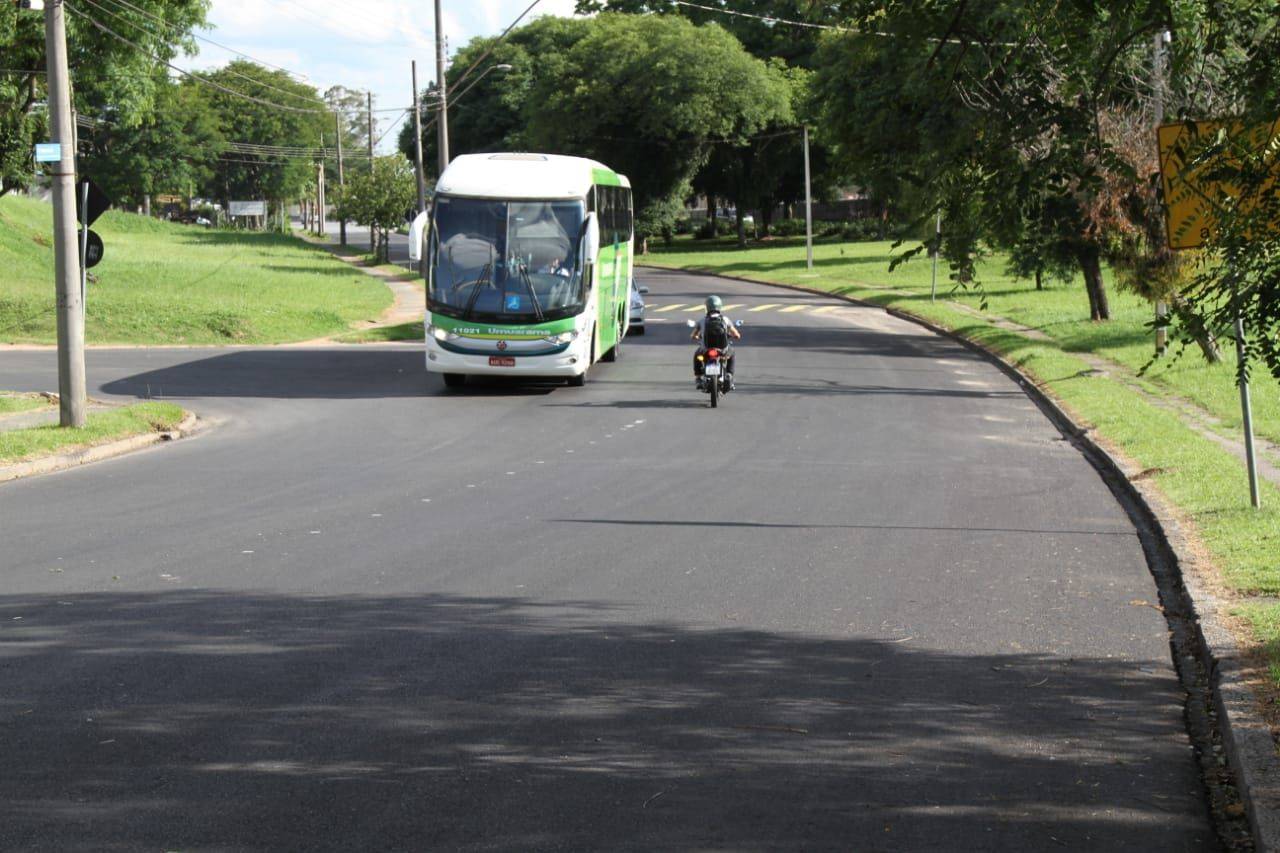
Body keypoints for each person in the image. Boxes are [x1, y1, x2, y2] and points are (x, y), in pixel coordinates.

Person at [691, 295, 741, 389]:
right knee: (732, 353)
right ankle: (729, 374)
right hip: (723, 350)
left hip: (706, 350)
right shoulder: (725, 319)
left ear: (707, 307)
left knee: (697, 355)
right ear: (720, 306)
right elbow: (736, 334)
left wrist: (696, 336)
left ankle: (698, 378)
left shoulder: (702, 320)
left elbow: (693, 335)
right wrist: (736, 336)